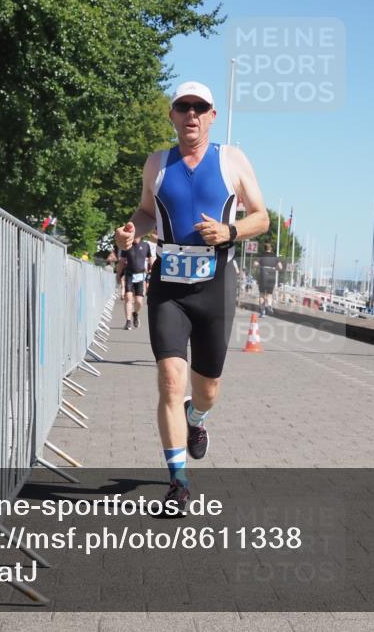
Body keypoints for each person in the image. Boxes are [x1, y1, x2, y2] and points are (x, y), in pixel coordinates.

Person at [114, 81, 269, 510]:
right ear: (172, 115)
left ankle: (196, 420)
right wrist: (130, 231)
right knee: (168, 381)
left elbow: (262, 217)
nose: (192, 115)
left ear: (212, 116)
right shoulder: (157, 163)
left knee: (208, 388)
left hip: (215, 285)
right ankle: (178, 481)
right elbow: (146, 212)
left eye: (200, 108)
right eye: (183, 107)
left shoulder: (232, 159)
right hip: (169, 287)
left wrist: (230, 231)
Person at [121, 239, 154, 330]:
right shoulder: (127, 244)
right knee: (128, 298)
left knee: (139, 301)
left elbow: (150, 258)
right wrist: (119, 273)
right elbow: (122, 260)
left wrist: (153, 269)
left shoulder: (145, 245)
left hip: (140, 275)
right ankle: (128, 322)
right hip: (129, 275)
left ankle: (135, 314)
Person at [252, 243, 283, 316]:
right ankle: (269, 305)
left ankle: (262, 311)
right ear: (270, 249)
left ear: (264, 248)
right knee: (269, 294)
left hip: (263, 275)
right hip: (272, 274)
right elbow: (280, 267)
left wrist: (260, 266)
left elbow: (255, 264)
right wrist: (275, 269)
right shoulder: (275, 256)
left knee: (262, 293)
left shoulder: (261, 255)